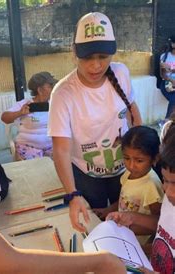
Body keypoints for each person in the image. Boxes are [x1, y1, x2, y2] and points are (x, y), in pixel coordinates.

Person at [0, 1, 125, 272]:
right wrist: (101, 260)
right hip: (81, 171)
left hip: (115, 168)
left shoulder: (121, 76)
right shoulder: (61, 93)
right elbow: (3, 263)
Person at [48, 12, 142, 233]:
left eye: (103, 56)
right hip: (87, 176)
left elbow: (133, 113)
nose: (96, 66)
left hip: (125, 170)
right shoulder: (63, 93)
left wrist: (142, 156)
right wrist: (72, 194)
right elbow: (60, 150)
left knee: (129, 223)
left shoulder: (121, 73)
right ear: (74, 53)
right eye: (88, 57)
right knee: (99, 228)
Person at [107, 131, 175, 274]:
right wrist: (132, 217)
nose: (167, 192)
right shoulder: (170, 202)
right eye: (165, 180)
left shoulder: (151, 185)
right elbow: (163, 235)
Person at [92, 126, 163, 221]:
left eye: (139, 161)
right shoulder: (128, 174)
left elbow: (157, 221)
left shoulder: (151, 186)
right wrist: (107, 210)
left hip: (136, 235)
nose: (131, 165)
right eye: (126, 158)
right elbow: (125, 200)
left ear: (155, 159)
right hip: (122, 230)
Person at [1, 72, 57, 161]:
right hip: (28, 147)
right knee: (35, 170)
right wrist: (19, 113)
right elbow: (4, 118)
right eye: (50, 86)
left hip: (51, 147)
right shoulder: (25, 104)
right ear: (40, 90)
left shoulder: (55, 103)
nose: (53, 88)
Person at [159, 35, 175, 119]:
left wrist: (171, 69)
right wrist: (171, 80)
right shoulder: (164, 57)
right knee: (174, 99)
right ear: (172, 44)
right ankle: (167, 121)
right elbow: (162, 75)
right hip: (166, 84)